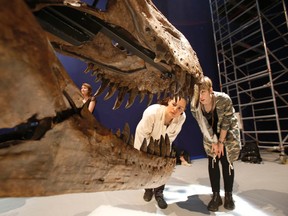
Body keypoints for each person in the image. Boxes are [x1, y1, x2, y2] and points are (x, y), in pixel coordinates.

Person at [190, 76, 241, 212]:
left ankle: (228, 195)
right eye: (198, 93)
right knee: (213, 160)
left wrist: (221, 142)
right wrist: (214, 142)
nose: (200, 96)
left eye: (203, 92)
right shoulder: (195, 106)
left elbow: (227, 121)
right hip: (210, 134)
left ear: (210, 90)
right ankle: (216, 196)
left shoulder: (224, 99)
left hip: (227, 132)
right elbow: (204, 126)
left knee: (226, 160)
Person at [134, 96, 187, 209]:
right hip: (145, 141)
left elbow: (172, 136)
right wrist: (152, 154)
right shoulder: (152, 112)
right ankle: (148, 189)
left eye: (180, 108)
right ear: (168, 101)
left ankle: (159, 193)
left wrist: (162, 151)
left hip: (164, 143)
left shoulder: (181, 118)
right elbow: (144, 136)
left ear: (183, 110)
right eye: (174, 104)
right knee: (147, 167)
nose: (175, 110)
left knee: (163, 168)